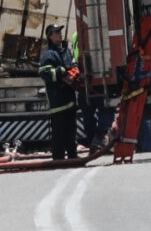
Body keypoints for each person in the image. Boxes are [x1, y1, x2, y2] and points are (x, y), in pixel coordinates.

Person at [38, 24, 79, 160]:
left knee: (71, 131)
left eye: (60, 32)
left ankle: (73, 156)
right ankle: (58, 159)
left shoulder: (66, 51)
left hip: (70, 100)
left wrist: (74, 72)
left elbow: (73, 65)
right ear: (50, 36)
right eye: (56, 32)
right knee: (59, 133)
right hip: (58, 102)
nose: (60, 34)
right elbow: (44, 73)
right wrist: (59, 72)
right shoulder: (48, 54)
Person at [71, 31, 113, 150]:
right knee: (106, 110)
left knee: (88, 115)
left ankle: (93, 142)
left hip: (84, 80)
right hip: (101, 79)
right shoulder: (103, 31)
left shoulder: (76, 34)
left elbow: (75, 59)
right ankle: (99, 139)